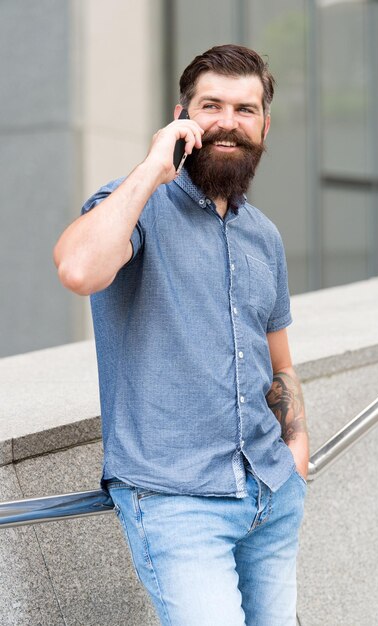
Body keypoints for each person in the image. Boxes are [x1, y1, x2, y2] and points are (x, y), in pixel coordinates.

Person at [54, 44, 309, 626]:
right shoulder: (137, 204)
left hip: (270, 495)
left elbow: (280, 363)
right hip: (176, 504)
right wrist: (151, 168)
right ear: (182, 116)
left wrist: (295, 458)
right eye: (210, 105)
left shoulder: (264, 236)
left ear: (264, 126)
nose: (227, 120)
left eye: (244, 109)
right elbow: (78, 270)